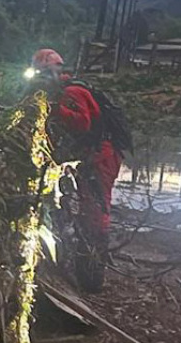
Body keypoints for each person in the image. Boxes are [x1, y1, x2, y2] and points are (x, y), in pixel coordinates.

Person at [30, 48, 124, 293]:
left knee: (96, 210)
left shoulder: (72, 92)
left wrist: (54, 110)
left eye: (43, 74)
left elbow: (82, 123)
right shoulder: (64, 92)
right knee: (85, 208)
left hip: (102, 156)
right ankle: (83, 263)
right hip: (90, 156)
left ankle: (92, 275)